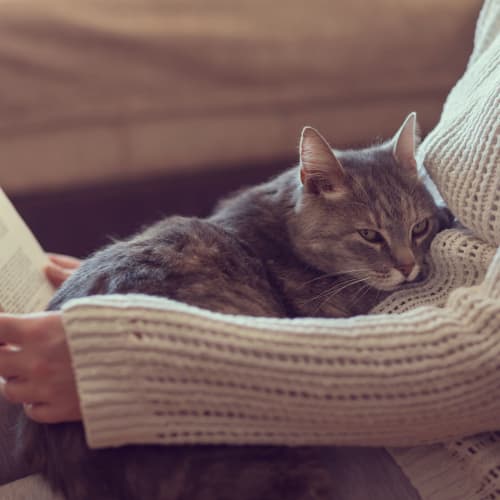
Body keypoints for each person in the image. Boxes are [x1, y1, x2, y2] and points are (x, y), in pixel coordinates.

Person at [0, 1, 499, 498]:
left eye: (415, 236)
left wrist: (147, 356)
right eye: (375, 239)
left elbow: (485, 365)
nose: (408, 265)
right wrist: (138, 283)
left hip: (418, 434)